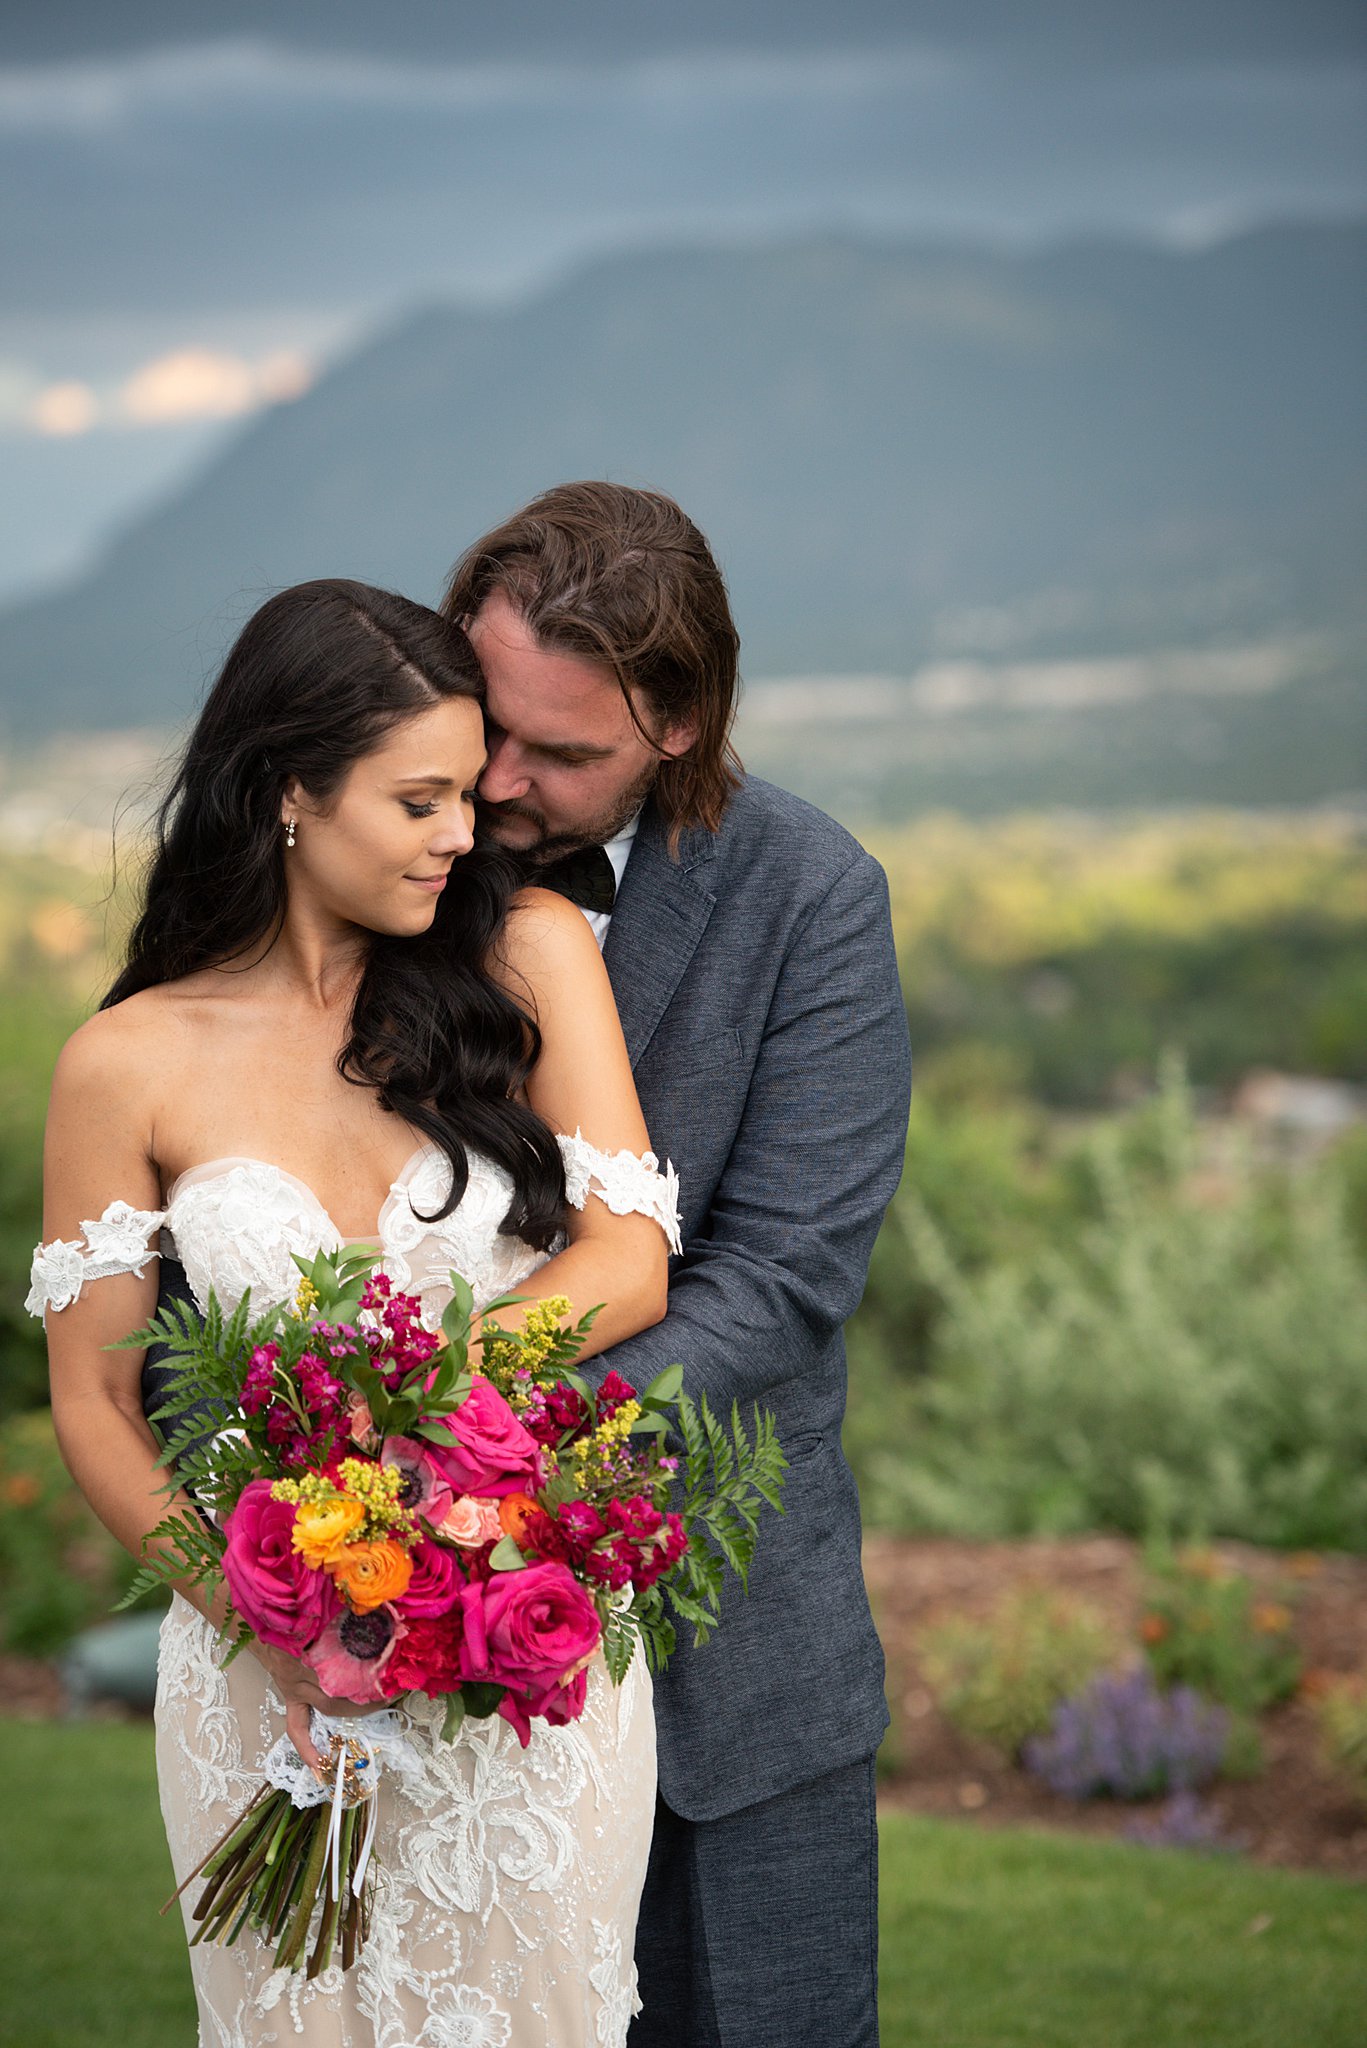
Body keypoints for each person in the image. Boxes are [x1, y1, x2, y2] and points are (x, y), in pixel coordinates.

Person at [26, 579, 684, 2046]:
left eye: (468, 792)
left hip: (522, 1638)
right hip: (267, 1671)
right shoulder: (125, 1063)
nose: (468, 831)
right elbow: (95, 1402)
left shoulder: (530, 958)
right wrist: (264, 1617)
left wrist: (412, 1417)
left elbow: (628, 1259)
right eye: (421, 798)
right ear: (287, 795)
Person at [442, 482, 912, 2048]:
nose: (499, 783)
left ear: (683, 723)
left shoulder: (812, 893)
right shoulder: (380, 868)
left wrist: (475, 1445)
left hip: (734, 1663)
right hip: (412, 1660)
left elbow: (777, 1280)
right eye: (489, 721)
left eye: (561, 754)